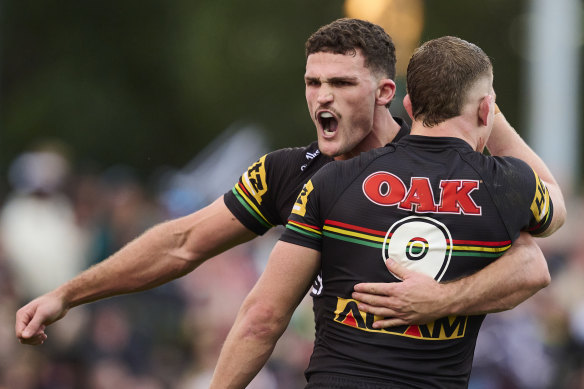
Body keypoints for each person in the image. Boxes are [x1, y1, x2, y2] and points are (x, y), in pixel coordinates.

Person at [15, 19, 559, 349]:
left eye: (341, 83)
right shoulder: (289, 172)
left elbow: (533, 258)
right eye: (312, 82)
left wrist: (441, 301)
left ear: (386, 93)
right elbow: (183, 244)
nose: (322, 97)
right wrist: (67, 294)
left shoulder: (445, 165)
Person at [208, 35, 565, 388]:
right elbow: (554, 208)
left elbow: (263, 319)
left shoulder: (335, 179)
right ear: (485, 109)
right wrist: (445, 301)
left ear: (408, 107)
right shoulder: (505, 187)